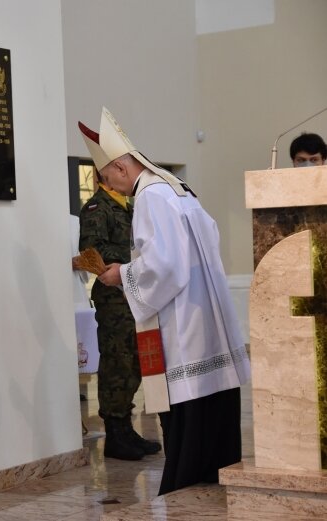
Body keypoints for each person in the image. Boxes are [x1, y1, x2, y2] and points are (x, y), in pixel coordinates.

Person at [79, 107, 251, 495]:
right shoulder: (176, 188)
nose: (111, 188)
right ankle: (210, 475)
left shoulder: (151, 198)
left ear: (122, 168)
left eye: (109, 179)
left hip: (183, 324)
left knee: (188, 407)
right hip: (204, 313)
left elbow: (166, 267)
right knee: (210, 407)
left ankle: (185, 482)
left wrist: (120, 275)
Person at [74, 170, 161, 461]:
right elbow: (91, 247)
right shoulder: (97, 207)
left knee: (134, 360)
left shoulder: (129, 206)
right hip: (113, 297)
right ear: (106, 176)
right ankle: (115, 431)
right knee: (117, 360)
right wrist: (134, 256)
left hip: (134, 293)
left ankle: (126, 427)